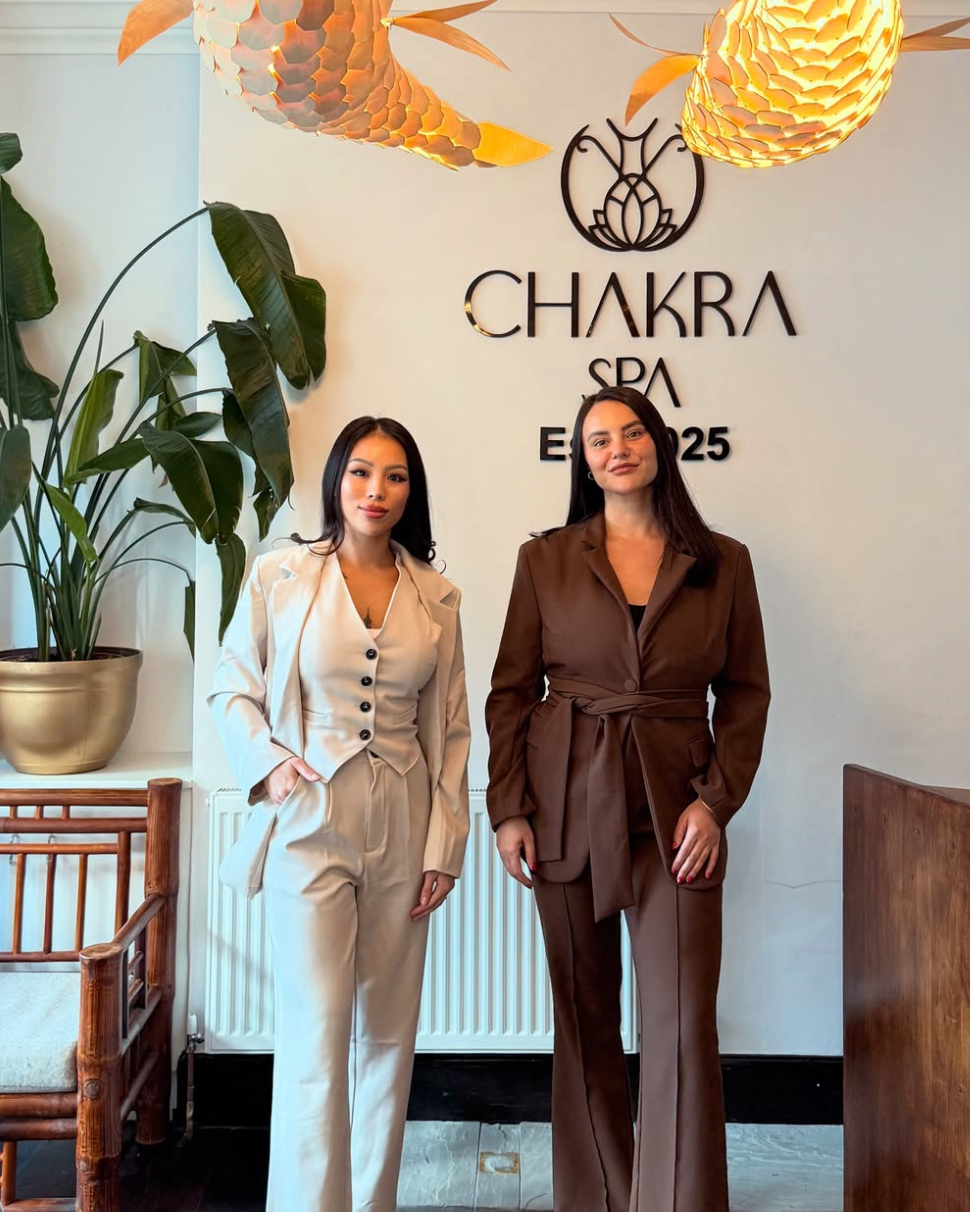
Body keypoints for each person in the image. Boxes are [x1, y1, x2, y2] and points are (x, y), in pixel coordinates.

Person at [485, 386, 770, 1212]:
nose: (617, 447)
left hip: (677, 806)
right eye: (599, 437)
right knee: (583, 1015)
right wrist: (509, 809)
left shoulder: (724, 560)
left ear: (659, 444)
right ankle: (600, 1197)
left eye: (632, 431)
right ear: (583, 457)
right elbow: (510, 690)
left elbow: (747, 694)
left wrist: (715, 803)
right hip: (564, 800)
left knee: (681, 1022)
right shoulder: (544, 558)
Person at [208, 416, 471, 1212]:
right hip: (310, 816)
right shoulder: (280, 576)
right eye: (361, 473)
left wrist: (444, 846)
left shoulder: (438, 597)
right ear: (335, 482)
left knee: (388, 1035)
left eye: (394, 477)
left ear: (411, 492)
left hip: (404, 814)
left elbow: (453, 727)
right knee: (317, 1027)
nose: (376, 491)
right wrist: (270, 764)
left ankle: (373, 1204)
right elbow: (230, 684)